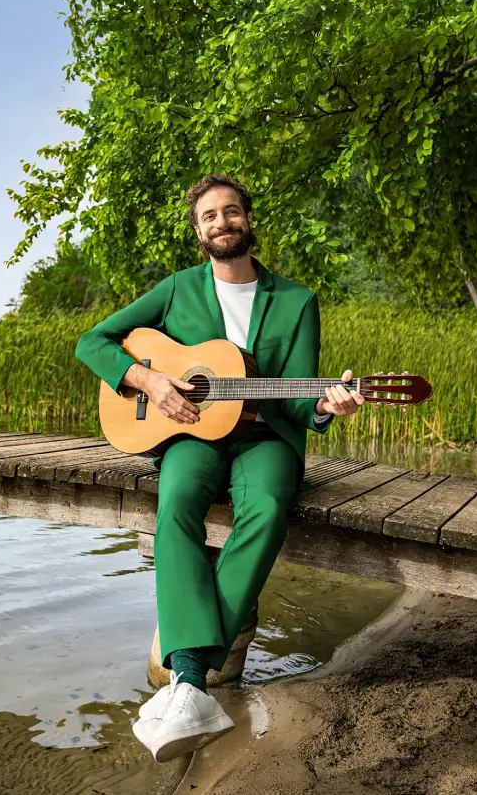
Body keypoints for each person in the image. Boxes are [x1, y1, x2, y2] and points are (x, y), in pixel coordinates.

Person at [74, 174, 365, 762]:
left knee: (267, 508)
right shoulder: (178, 289)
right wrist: (150, 380)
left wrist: (327, 405)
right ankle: (195, 683)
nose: (221, 222)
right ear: (199, 232)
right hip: (193, 431)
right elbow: (92, 342)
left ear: (248, 220)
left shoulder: (297, 300)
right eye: (209, 216)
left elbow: (298, 394)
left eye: (231, 212)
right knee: (176, 501)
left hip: (266, 435)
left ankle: (188, 677)